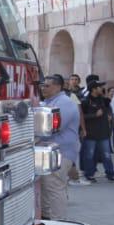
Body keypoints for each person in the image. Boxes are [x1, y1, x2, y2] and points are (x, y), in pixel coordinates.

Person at [38, 74, 81, 217]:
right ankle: (47, 217)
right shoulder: (49, 101)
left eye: (47, 86)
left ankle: (59, 221)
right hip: (49, 153)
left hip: (60, 153)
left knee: (55, 187)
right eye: (43, 85)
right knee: (46, 186)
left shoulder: (64, 103)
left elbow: (52, 128)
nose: (43, 88)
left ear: (57, 87)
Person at [79, 81, 114, 183]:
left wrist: (109, 116)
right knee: (89, 155)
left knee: (107, 155)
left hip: (103, 133)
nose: (102, 89)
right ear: (93, 89)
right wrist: (94, 115)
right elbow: (81, 116)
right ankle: (89, 175)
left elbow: (109, 110)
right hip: (90, 133)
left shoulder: (104, 100)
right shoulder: (85, 101)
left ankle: (110, 174)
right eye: (99, 87)